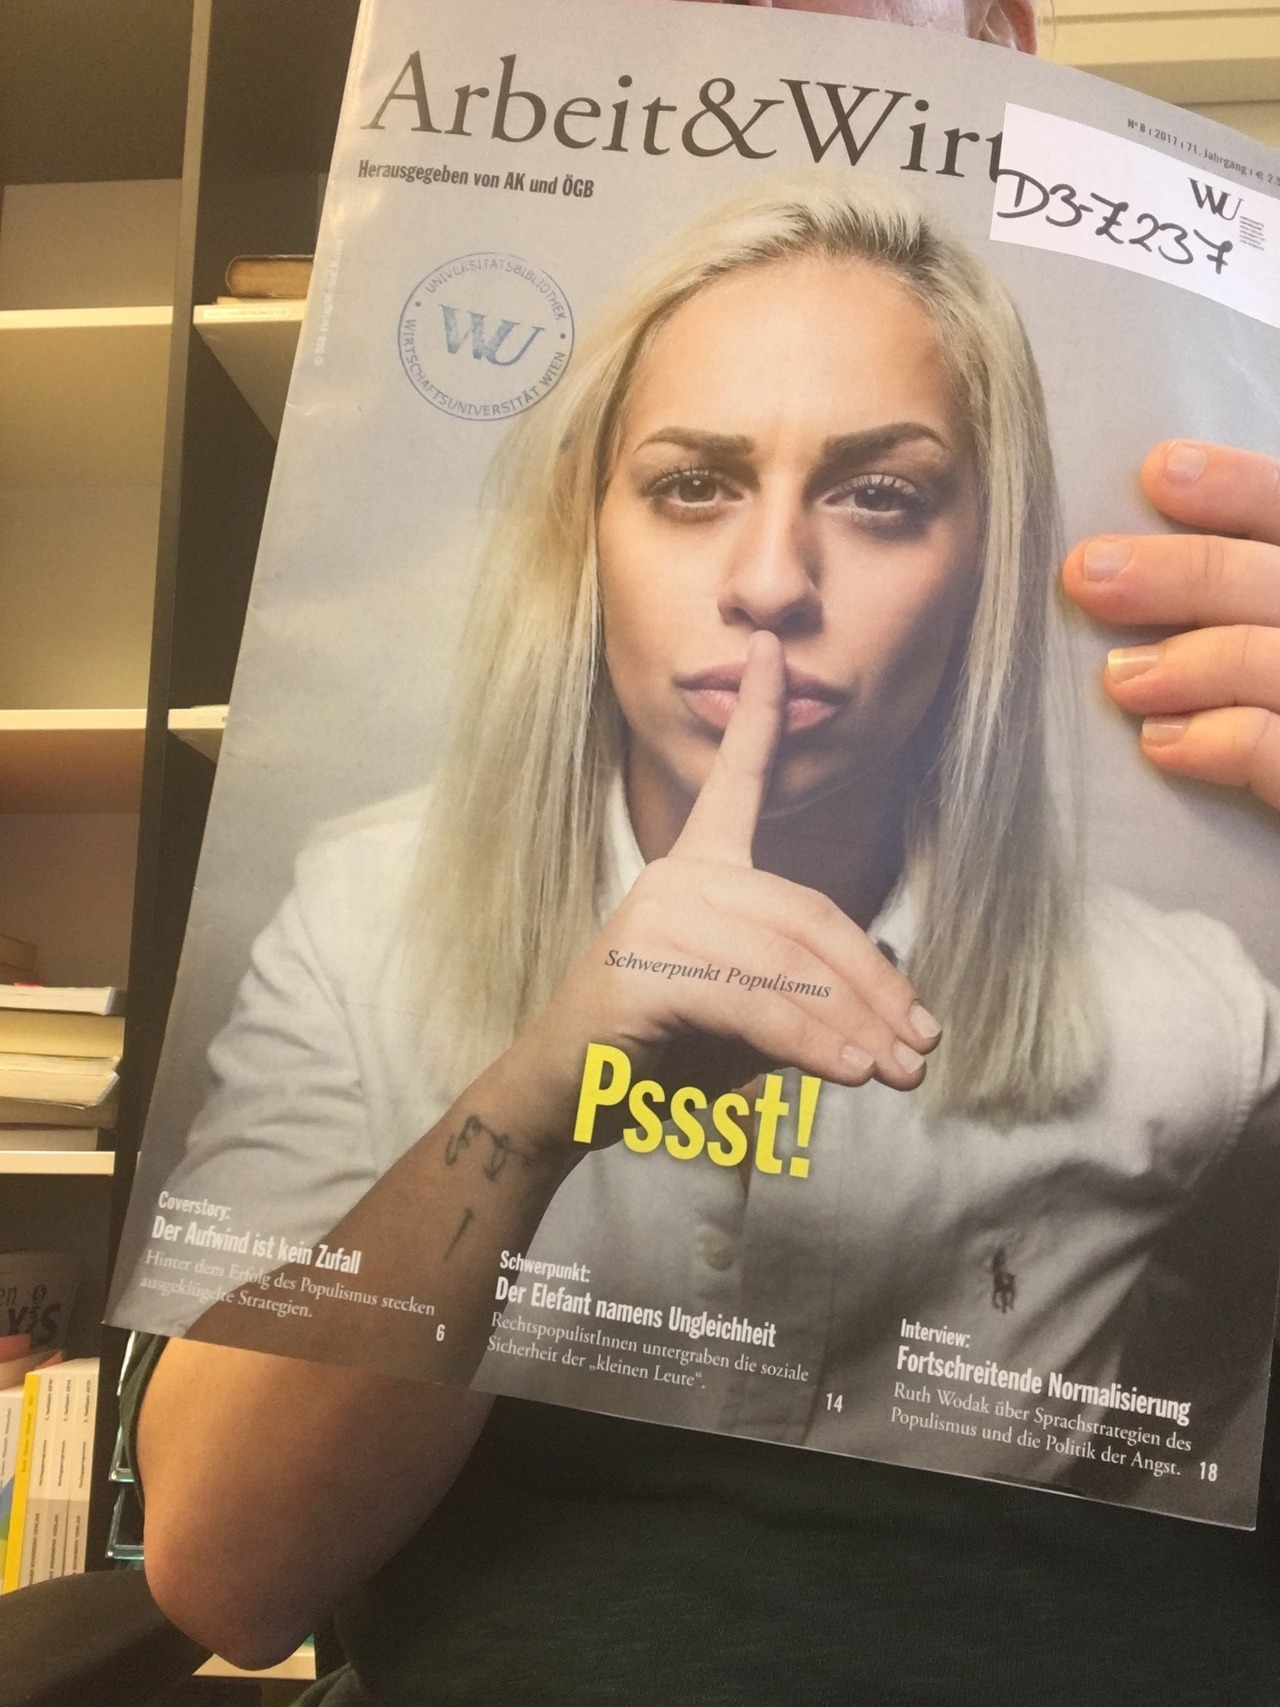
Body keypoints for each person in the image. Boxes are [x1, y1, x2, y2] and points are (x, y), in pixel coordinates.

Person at [130, 0, 1280, 1699]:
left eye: (880, 495)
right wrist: (546, 1090)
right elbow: (227, 1572)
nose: (768, 584)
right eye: (691, 486)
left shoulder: (1200, 1012)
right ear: (588, 530)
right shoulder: (367, 911)